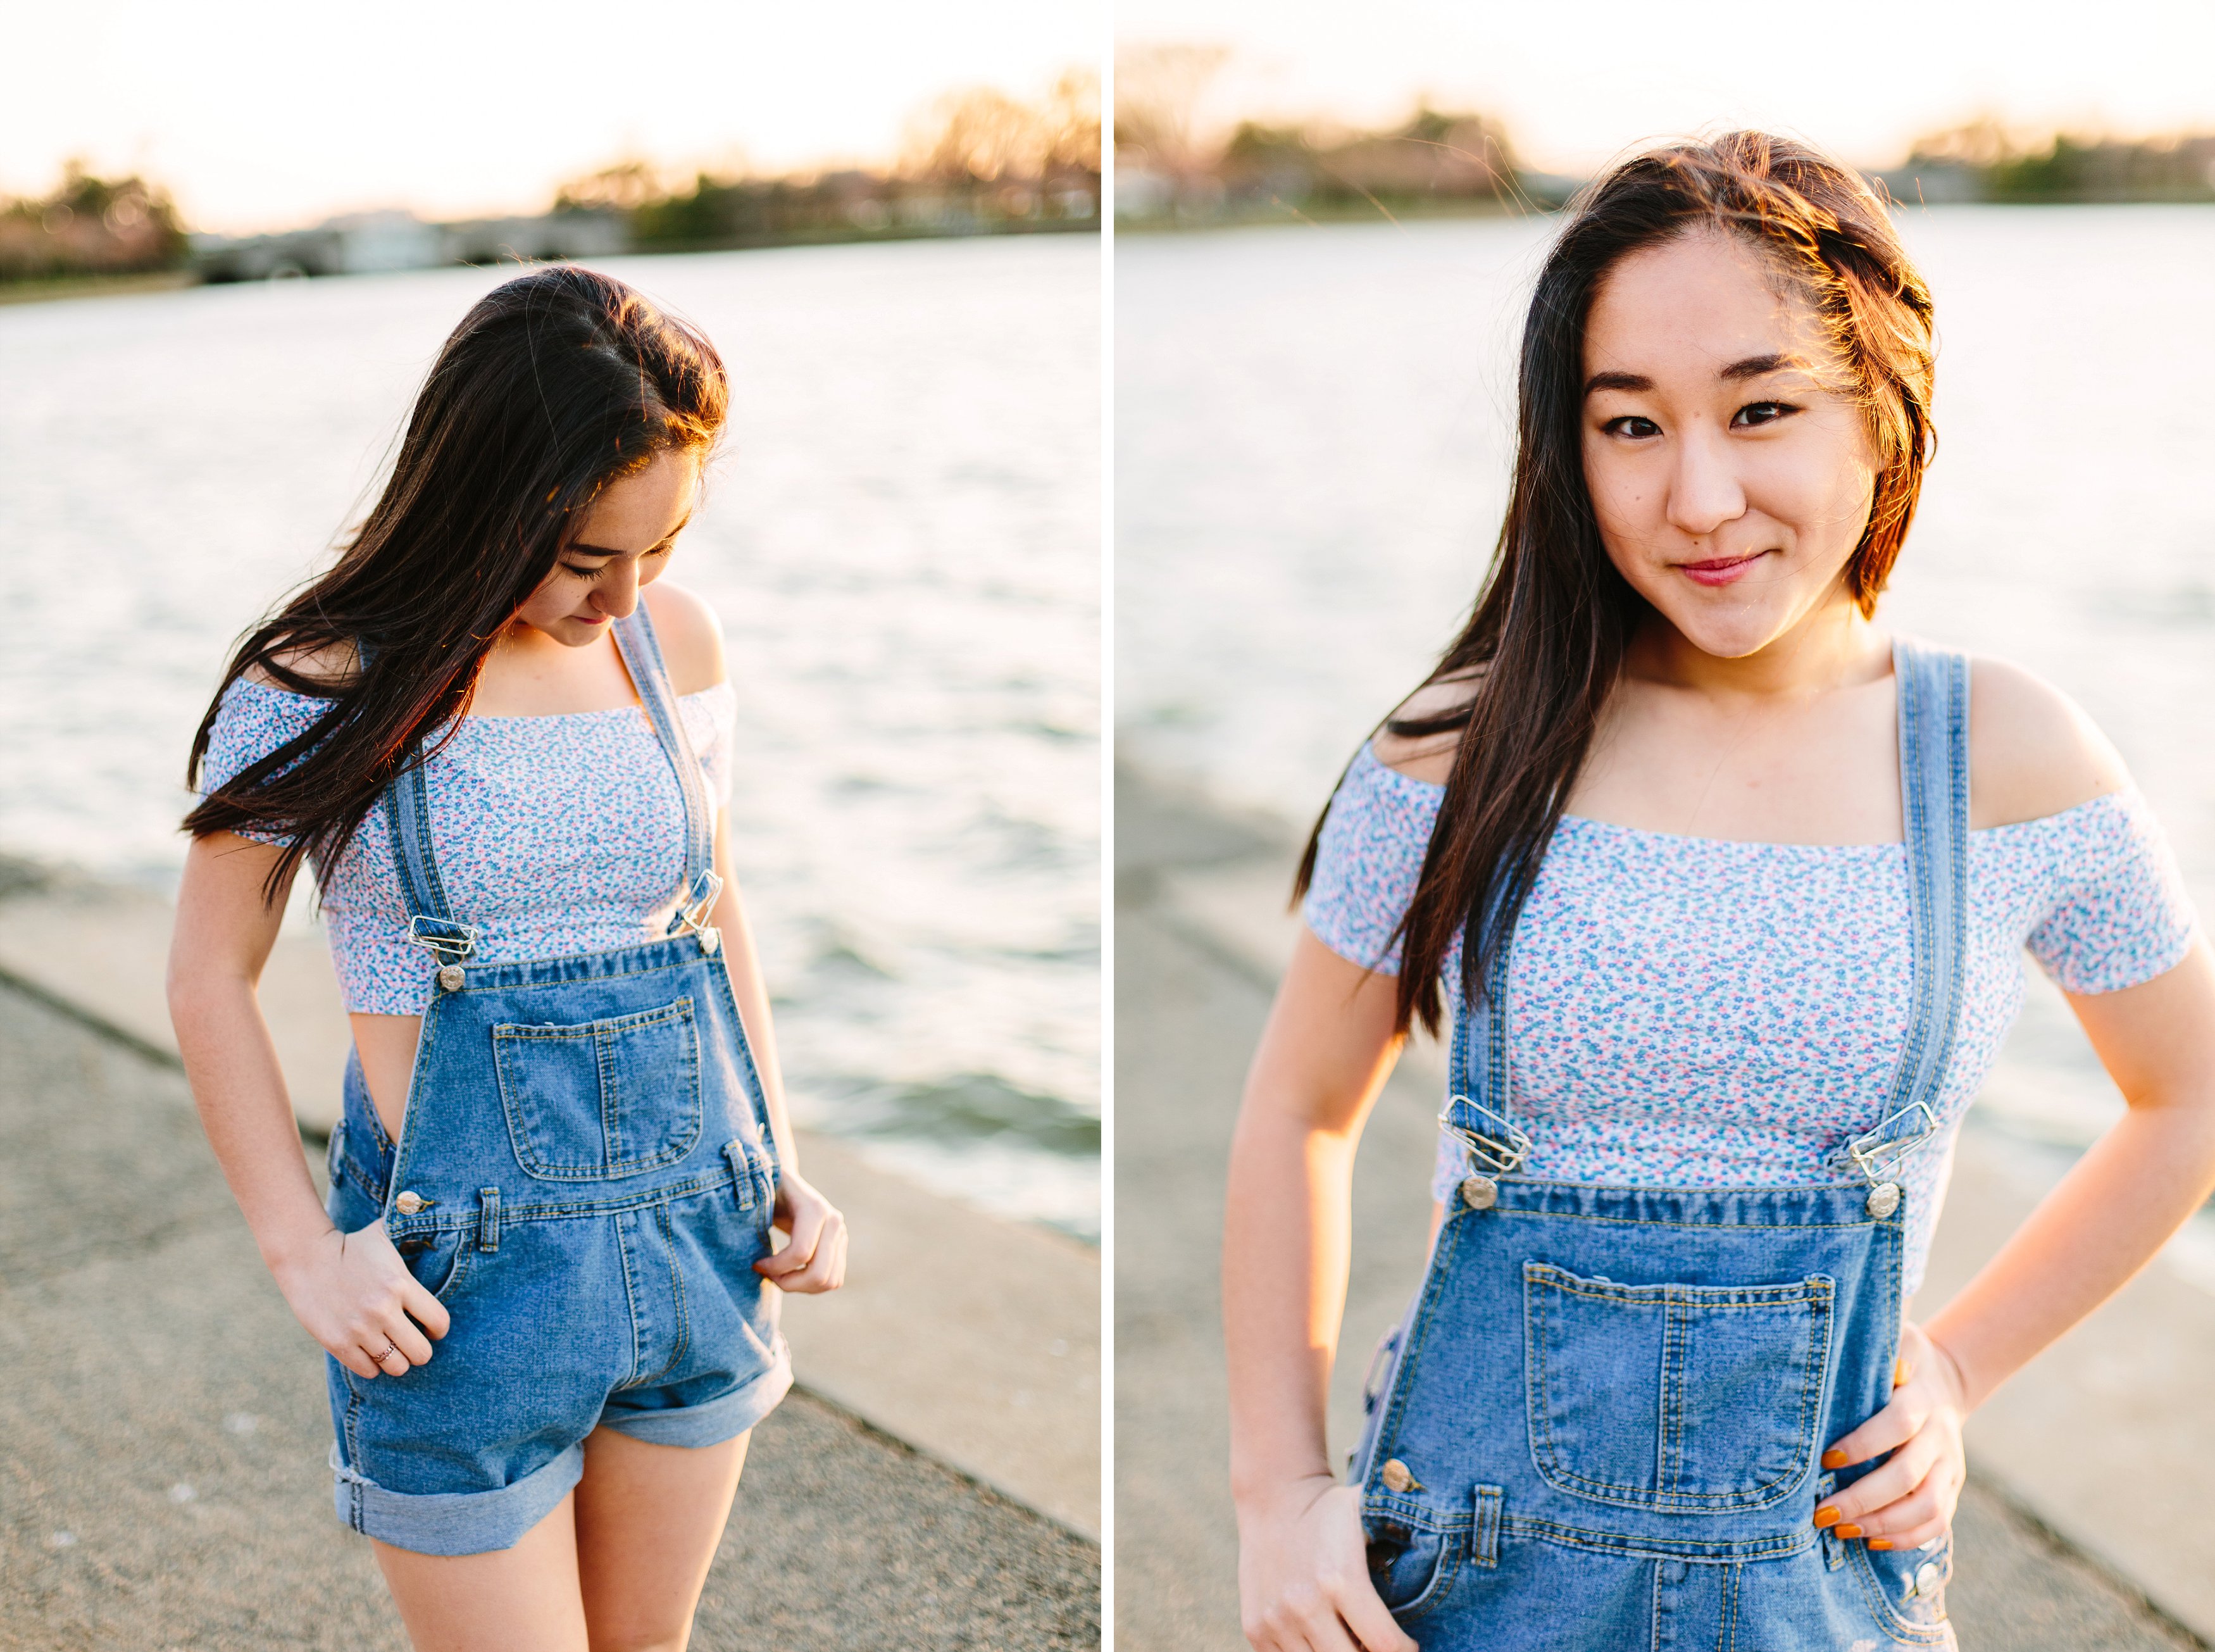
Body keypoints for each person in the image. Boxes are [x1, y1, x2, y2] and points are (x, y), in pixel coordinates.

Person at [1221, 133, 2215, 1651]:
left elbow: (2189, 1096)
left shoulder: (2003, 758)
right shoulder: (1454, 756)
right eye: (1630, 425)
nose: (1699, 498)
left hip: (1816, 1584)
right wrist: (1275, 1495)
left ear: (1880, 413)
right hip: (1467, 1573)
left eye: (1761, 410)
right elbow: (1299, 1110)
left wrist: (1954, 1371)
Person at [168, 265, 847, 1650]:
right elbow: (206, 976)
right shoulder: (322, 685)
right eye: (586, 558)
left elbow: (712, 907)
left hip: (695, 1233)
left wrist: (774, 1153)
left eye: (657, 550)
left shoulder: (677, 644)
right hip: (457, 1284)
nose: (624, 593)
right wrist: (303, 1254)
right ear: (481, 503)